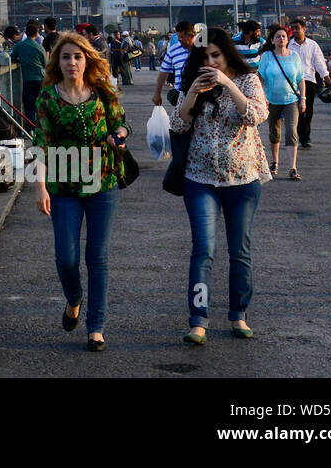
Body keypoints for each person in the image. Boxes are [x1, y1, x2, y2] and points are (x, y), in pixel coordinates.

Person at [169, 28, 270, 345]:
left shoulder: (248, 80)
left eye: (216, 55)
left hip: (243, 180)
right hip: (200, 180)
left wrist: (227, 83)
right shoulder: (195, 84)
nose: (211, 61)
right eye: (205, 57)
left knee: (240, 251)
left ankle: (238, 315)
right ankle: (198, 320)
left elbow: (256, 115)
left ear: (227, 54)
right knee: (203, 251)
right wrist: (192, 95)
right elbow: (178, 123)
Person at [32, 31, 130, 352]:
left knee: (97, 257)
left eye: (77, 56)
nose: (72, 62)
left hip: (103, 180)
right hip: (64, 184)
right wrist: (40, 187)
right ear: (57, 63)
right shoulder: (47, 97)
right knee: (67, 257)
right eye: (65, 57)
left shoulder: (102, 91)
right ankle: (74, 298)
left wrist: (119, 134)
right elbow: (41, 146)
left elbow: (121, 122)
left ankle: (96, 327)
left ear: (87, 60)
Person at [257, 23, 305, 180]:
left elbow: (300, 79)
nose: (281, 39)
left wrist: (303, 99)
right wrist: (262, 98)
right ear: (272, 40)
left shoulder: (294, 57)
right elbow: (261, 78)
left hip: (291, 99)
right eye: (277, 36)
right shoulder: (266, 57)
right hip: (271, 100)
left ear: (287, 39)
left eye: (283, 36)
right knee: (274, 132)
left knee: (291, 131)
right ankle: (275, 161)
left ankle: (292, 167)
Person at [288, 18, 330, 149]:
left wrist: (326, 77)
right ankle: (302, 137)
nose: (294, 30)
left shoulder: (312, 45)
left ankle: (306, 136)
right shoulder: (288, 45)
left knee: (308, 110)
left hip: (309, 81)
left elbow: (319, 62)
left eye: (297, 28)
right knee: (296, 111)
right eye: (293, 28)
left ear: (304, 29)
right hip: (292, 83)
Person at [11, 19, 47, 126]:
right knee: (40, 104)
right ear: (36, 34)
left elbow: (12, 58)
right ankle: (41, 126)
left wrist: (21, 60)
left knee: (28, 104)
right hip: (40, 79)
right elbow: (45, 64)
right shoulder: (39, 47)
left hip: (28, 80)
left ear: (26, 33)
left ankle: (31, 127)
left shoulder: (19, 45)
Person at [153, 20, 196, 108]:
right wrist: (157, 94)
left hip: (202, 95)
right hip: (181, 96)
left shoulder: (204, 49)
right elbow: (163, 72)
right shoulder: (173, 50)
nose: (179, 40)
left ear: (191, 35)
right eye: (178, 36)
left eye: (182, 37)